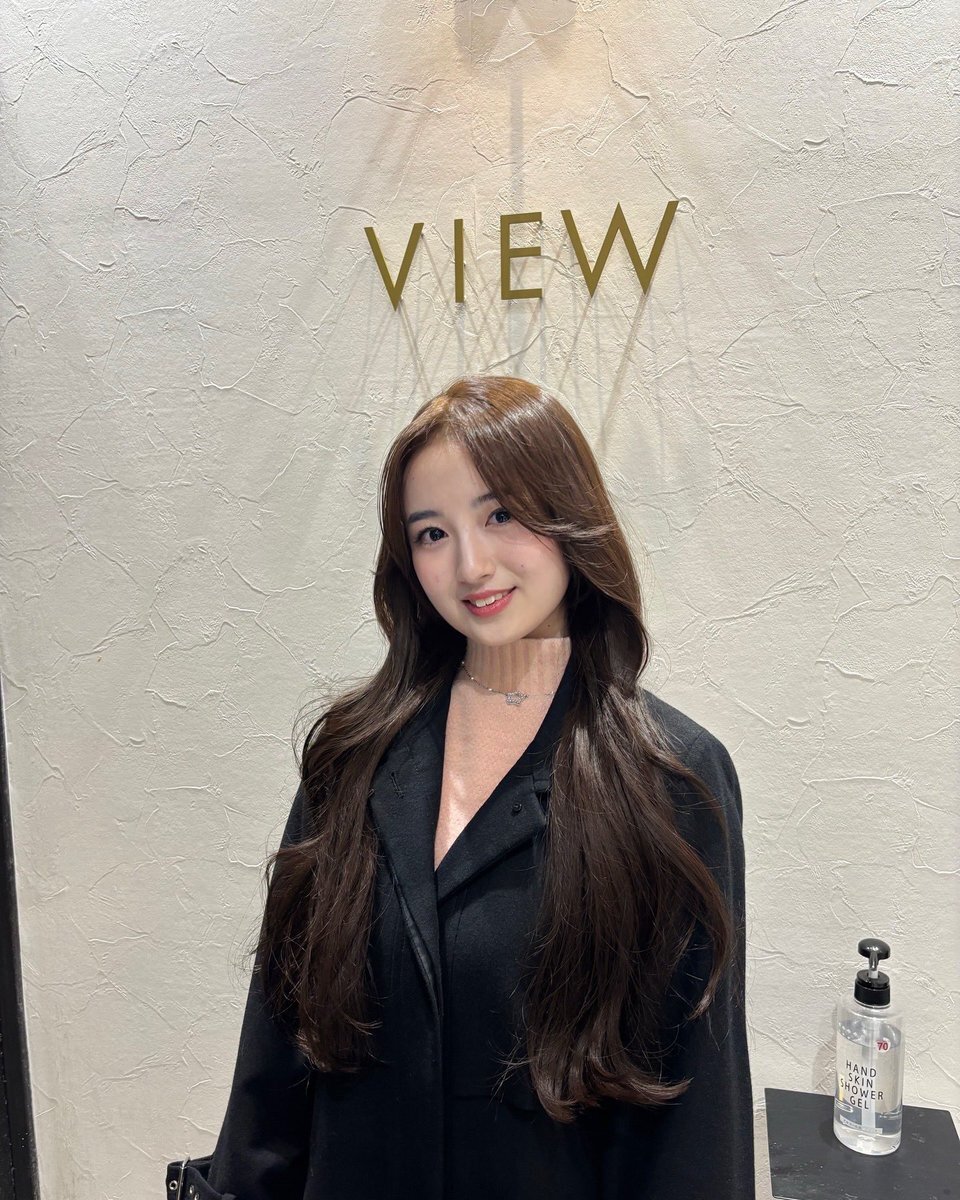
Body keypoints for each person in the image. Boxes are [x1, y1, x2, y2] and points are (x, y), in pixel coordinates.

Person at [166, 375, 755, 1200]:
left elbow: (694, 1122)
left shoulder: (669, 780)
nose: (471, 564)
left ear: (567, 513)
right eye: (433, 533)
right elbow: (277, 1052)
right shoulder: (352, 756)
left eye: (500, 514)